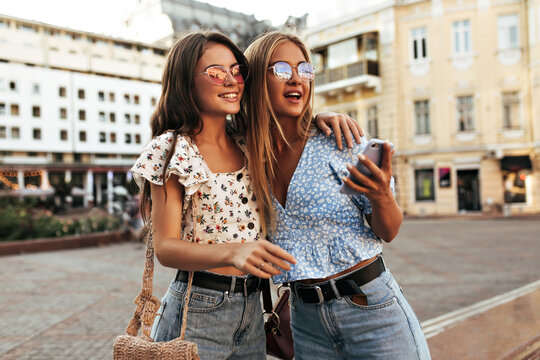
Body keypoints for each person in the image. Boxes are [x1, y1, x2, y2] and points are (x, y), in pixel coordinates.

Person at [130, 31, 364, 359]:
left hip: (253, 311)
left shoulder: (248, 142)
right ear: (186, 81)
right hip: (197, 310)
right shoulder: (173, 150)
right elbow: (166, 248)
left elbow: (286, 125)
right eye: (215, 73)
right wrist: (233, 252)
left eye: (237, 71)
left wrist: (318, 120)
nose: (231, 80)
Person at [244, 31, 431, 359]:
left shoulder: (339, 142)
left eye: (304, 69)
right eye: (282, 70)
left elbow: (388, 231)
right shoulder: (245, 155)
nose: (296, 80)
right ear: (257, 78)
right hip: (304, 322)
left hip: (372, 311)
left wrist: (382, 196)